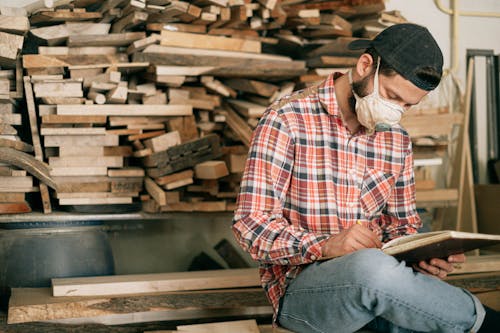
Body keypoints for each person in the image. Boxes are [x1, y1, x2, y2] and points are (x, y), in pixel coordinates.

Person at [232, 23, 500, 333]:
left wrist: (422, 257)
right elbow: (250, 226)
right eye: (391, 96)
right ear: (365, 66)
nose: (395, 112)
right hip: (302, 291)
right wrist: (326, 245)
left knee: (394, 296)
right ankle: (488, 324)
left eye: (407, 106)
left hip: (376, 287)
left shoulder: (396, 139)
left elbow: (404, 227)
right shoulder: (286, 120)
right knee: (371, 270)